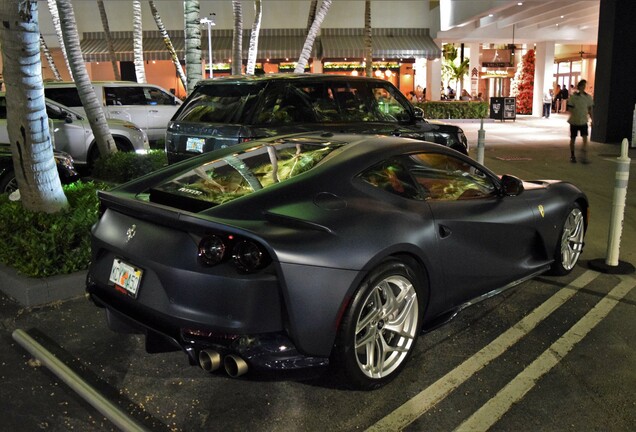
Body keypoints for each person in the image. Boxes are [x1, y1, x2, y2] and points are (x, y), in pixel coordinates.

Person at [566, 79, 594, 163]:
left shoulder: (588, 97)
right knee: (573, 139)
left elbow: (590, 109)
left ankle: (584, 156)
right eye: (582, 85)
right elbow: (570, 107)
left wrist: (592, 119)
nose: (584, 87)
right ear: (579, 86)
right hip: (574, 121)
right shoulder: (574, 97)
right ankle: (572, 155)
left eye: (585, 85)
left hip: (583, 121)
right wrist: (574, 113)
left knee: (585, 139)